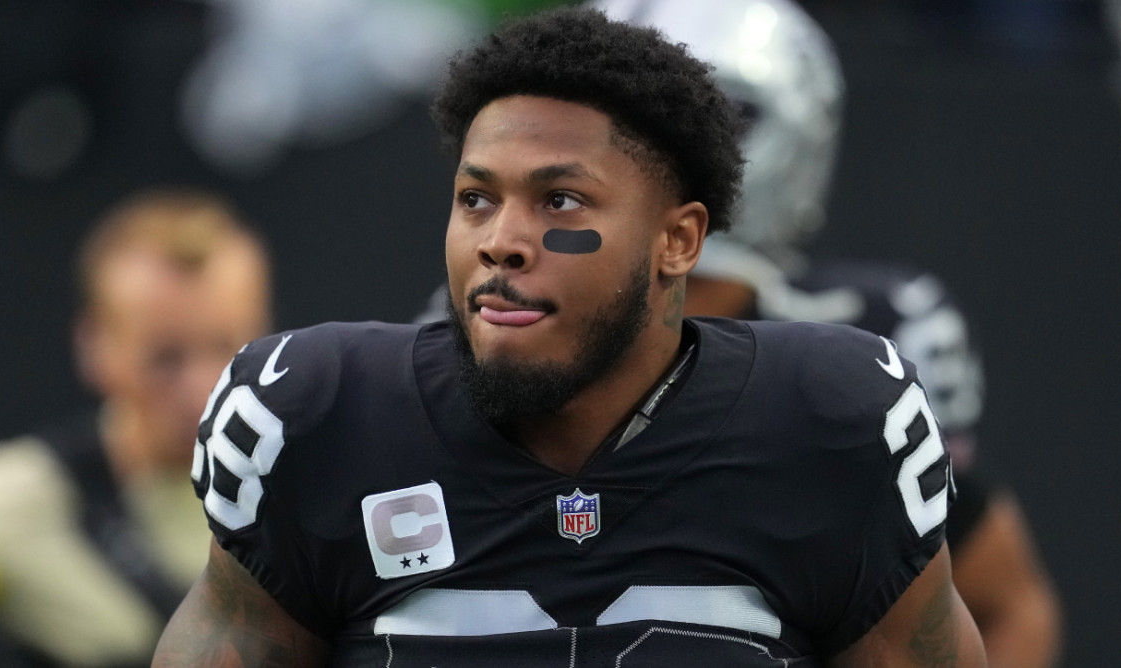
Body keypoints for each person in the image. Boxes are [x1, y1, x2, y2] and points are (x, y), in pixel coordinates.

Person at [155, 7, 985, 666]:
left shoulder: (830, 420)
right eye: (477, 198)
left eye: (560, 202)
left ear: (679, 241)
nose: (501, 240)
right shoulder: (321, 415)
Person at [593, 1, 1063, 666]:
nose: (668, 154)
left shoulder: (865, 341)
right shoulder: (499, 322)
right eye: (627, 124)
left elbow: (1005, 601)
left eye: (710, 117)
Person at [0, 189, 272, 667]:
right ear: (95, 348)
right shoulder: (15, 503)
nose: (205, 385)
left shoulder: (312, 484)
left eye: (228, 345)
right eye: (165, 358)